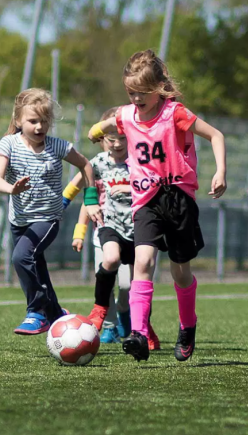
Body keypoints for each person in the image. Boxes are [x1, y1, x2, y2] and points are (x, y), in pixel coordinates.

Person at [87, 49, 227, 362]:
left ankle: (187, 325)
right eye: (130, 92)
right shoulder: (125, 115)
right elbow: (111, 122)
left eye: (142, 93)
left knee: (180, 273)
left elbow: (216, 135)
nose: (136, 98)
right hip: (146, 199)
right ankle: (137, 333)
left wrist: (220, 171)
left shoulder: (174, 113)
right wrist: (98, 128)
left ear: (158, 88)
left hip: (178, 198)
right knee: (143, 260)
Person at [0, 88, 102, 335]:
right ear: (18, 120)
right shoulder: (8, 144)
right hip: (18, 220)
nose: (39, 127)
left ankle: (37, 312)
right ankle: (54, 312)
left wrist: (91, 197)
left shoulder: (58, 147)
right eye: (33, 121)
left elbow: (86, 165)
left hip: (47, 219)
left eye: (44, 121)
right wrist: (12, 189)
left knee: (21, 258)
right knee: (36, 265)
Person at [65, 106, 160, 349]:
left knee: (130, 285)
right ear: (102, 139)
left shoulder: (141, 161)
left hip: (139, 228)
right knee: (109, 261)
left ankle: (135, 322)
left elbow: (156, 184)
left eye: (122, 138)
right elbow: (82, 188)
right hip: (108, 227)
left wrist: (130, 188)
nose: (117, 144)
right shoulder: (98, 163)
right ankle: (105, 320)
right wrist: (66, 210)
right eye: (111, 139)